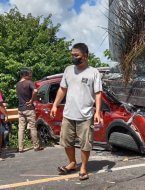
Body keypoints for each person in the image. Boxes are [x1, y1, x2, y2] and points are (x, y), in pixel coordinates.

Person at [50, 43, 102, 180]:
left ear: (85, 55)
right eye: (72, 55)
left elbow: (98, 93)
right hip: (68, 114)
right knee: (66, 141)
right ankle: (72, 163)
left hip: (85, 115)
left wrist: (97, 112)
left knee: (85, 143)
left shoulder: (93, 72)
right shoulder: (68, 70)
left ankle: (83, 167)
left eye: (76, 55)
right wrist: (55, 105)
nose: (73, 57)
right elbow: (62, 89)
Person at [16, 68, 43, 153]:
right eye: (30, 74)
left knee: (21, 128)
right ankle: (36, 146)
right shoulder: (29, 82)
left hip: (20, 109)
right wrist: (31, 100)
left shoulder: (17, 84)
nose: (31, 75)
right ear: (25, 75)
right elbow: (35, 90)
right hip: (29, 109)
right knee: (32, 127)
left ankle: (20, 148)